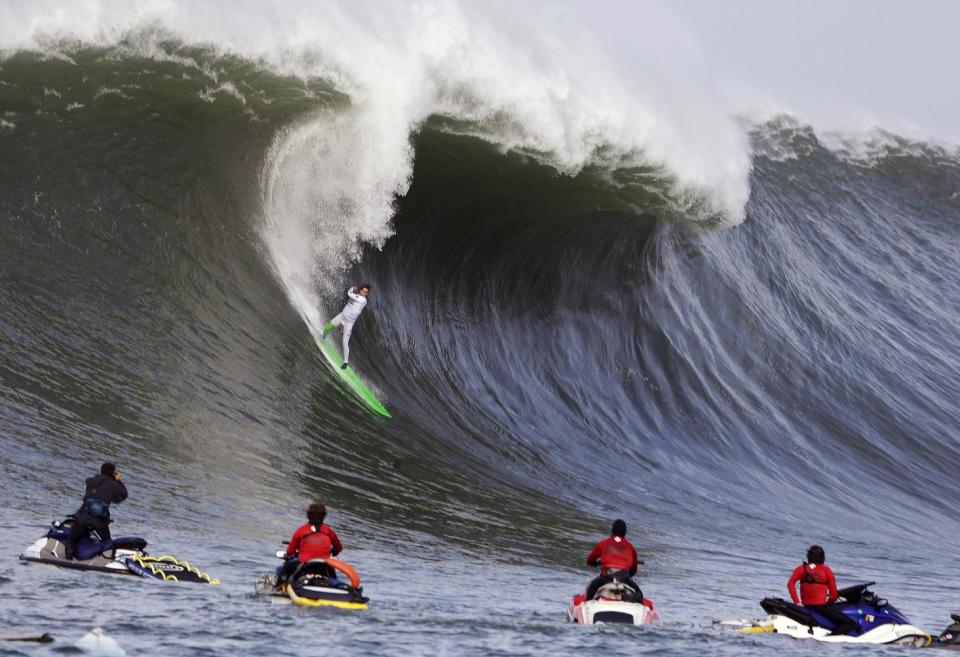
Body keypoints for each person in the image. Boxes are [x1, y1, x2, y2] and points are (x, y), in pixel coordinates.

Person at [787, 545, 860, 636]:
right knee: (850, 623)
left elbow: (790, 584)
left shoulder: (801, 568)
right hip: (820, 607)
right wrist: (829, 602)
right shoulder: (826, 570)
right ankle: (830, 637)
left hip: (805, 606)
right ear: (823, 557)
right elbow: (833, 595)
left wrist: (797, 602)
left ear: (808, 556)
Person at [64, 462, 128, 560]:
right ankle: (109, 559)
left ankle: (68, 559)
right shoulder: (114, 485)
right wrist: (118, 481)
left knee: (71, 540)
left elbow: (88, 482)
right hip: (100, 521)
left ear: (101, 470)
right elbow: (123, 495)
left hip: (83, 517)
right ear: (113, 473)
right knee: (107, 541)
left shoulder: (91, 481)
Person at [275, 502, 343, 586]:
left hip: (304, 565)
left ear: (308, 515)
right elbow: (339, 548)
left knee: (283, 568)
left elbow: (290, 552)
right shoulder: (328, 531)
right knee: (333, 576)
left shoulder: (301, 530)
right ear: (324, 516)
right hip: (323, 567)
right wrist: (333, 551)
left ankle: (277, 588)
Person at [584, 519, 642, 601]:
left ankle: (587, 604)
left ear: (612, 531)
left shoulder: (603, 543)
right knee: (639, 592)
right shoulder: (630, 547)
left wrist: (595, 563)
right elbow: (633, 571)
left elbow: (589, 560)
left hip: (606, 578)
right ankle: (637, 603)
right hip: (624, 579)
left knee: (592, 588)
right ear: (625, 533)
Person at [321, 284, 370, 369]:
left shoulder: (363, 301)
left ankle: (346, 362)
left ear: (366, 294)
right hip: (342, 316)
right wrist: (353, 290)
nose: (363, 293)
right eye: (363, 291)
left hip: (349, 323)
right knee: (327, 328)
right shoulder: (356, 296)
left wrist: (352, 289)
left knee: (345, 342)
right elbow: (351, 295)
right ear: (360, 290)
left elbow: (349, 294)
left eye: (366, 292)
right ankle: (323, 337)